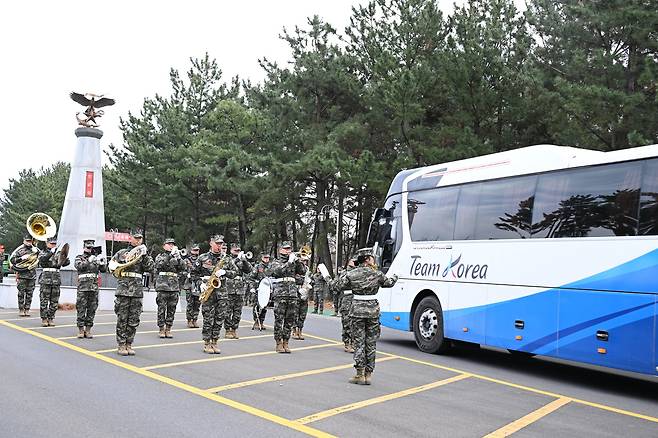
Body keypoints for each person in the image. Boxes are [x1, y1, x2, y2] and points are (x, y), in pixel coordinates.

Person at [333, 248, 398, 385]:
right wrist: (396, 276)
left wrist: (328, 277)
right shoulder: (377, 274)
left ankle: (359, 374)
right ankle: (368, 375)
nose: (374, 260)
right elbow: (389, 283)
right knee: (371, 342)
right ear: (368, 259)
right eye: (372, 257)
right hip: (373, 311)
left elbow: (336, 286)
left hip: (357, 310)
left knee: (359, 342)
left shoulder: (352, 274)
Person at [110, 230, 154, 356]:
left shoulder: (143, 255)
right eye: (136, 238)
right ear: (130, 238)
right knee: (122, 318)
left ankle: (129, 343)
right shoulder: (122, 253)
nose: (138, 240)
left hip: (137, 290)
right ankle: (121, 344)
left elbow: (151, 268)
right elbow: (112, 267)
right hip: (123, 289)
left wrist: (145, 256)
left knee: (134, 319)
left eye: (140, 238)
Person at [192, 235, 238, 354]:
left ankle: (215, 341)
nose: (219, 246)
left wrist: (225, 272)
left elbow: (235, 272)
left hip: (222, 292)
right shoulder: (203, 257)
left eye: (221, 243)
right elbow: (193, 274)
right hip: (208, 291)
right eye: (217, 243)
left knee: (219, 319)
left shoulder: (226, 259)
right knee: (208, 318)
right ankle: (207, 342)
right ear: (211, 243)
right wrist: (200, 284)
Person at [265, 241, 306, 353]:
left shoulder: (294, 262)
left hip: (292, 294)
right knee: (279, 319)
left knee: (290, 320)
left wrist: (298, 262)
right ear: (280, 250)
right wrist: (289, 262)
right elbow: (277, 272)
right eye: (286, 249)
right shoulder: (276, 262)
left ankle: (286, 342)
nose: (288, 250)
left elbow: (302, 272)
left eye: (289, 249)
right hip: (280, 294)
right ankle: (278, 342)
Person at [154, 238, 187, 339]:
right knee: (161, 308)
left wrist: (178, 258)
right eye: (169, 244)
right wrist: (170, 256)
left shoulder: (177, 256)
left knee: (172, 308)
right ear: (164, 246)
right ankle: (161, 328)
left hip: (174, 286)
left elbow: (183, 267)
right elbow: (159, 265)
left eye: (172, 244)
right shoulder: (160, 256)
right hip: (162, 285)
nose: (171, 246)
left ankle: (168, 328)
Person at [74, 239, 107, 338]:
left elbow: (104, 270)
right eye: (88, 247)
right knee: (81, 308)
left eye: (91, 247)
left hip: (94, 287)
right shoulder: (79, 257)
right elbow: (79, 267)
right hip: (83, 288)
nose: (90, 249)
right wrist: (89, 260)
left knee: (92, 308)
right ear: (84, 247)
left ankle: (88, 329)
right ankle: (80, 329)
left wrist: (103, 263)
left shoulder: (96, 258)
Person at [38, 236, 70, 326]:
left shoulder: (58, 253)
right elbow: (41, 260)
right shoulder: (42, 252)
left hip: (56, 278)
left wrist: (63, 255)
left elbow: (66, 263)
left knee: (54, 300)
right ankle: (44, 318)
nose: (53, 245)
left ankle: (51, 318)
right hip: (45, 278)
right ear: (47, 243)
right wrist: (50, 253)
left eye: (54, 244)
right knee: (44, 300)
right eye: (51, 243)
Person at [224, 243, 252, 339]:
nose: (237, 252)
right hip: (229, 287)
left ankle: (234, 329)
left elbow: (249, 270)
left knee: (237, 311)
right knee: (228, 311)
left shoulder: (241, 259)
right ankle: (228, 330)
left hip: (240, 288)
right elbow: (227, 267)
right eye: (235, 250)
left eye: (238, 250)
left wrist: (244, 261)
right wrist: (237, 259)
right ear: (231, 250)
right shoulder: (227, 259)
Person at [9, 234, 40, 316]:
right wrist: (21, 258)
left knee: (30, 293)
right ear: (24, 241)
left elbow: (42, 257)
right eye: (27, 241)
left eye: (30, 241)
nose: (29, 242)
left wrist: (37, 251)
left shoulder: (35, 249)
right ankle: (21, 309)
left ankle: (27, 309)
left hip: (32, 275)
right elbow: (12, 260)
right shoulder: (20, 250)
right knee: (21, 293)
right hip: (22, 274)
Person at [332, 257, 356, 353]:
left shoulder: (359, 272)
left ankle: (353, 343)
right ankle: (347, 343)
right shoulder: (344, 273)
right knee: (346, 323)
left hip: (357, 300)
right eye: (353, 261)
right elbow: (337, 286)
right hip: (346, 300)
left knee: (355, 323)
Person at [292, 253, 311, 340]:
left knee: (303, 313)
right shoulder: (295, 268)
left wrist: (309, 285)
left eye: (306, 261)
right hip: (296, 290)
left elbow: (309, 279)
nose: (304, 262)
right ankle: (294, 330)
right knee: (295, 312)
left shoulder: (307, 269)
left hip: (304, 291)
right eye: (303, 260)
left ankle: (300, 330)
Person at [250, 253, 270, 330]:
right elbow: (251, 277)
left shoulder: (270, 267)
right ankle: (256, 321)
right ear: (262, 258)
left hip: (266, 289)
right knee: (257, 306)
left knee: (264, 306)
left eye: (268, 258)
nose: (266, 259)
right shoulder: (258, 266)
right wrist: (252, 287)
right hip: (258, 288)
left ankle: (261, 321)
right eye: (265, 257)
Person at [183, 244, 201, 328]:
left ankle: (195, 319)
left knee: (197, 303)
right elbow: (182, 270)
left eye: (197, 250)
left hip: (198, 284)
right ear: (191, 251)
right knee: (190, 303)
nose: (195, 252)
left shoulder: (201, 260)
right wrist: (187, 274)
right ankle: (189, 320)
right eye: (194, 250)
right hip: (189, 284)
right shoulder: (186, 260)